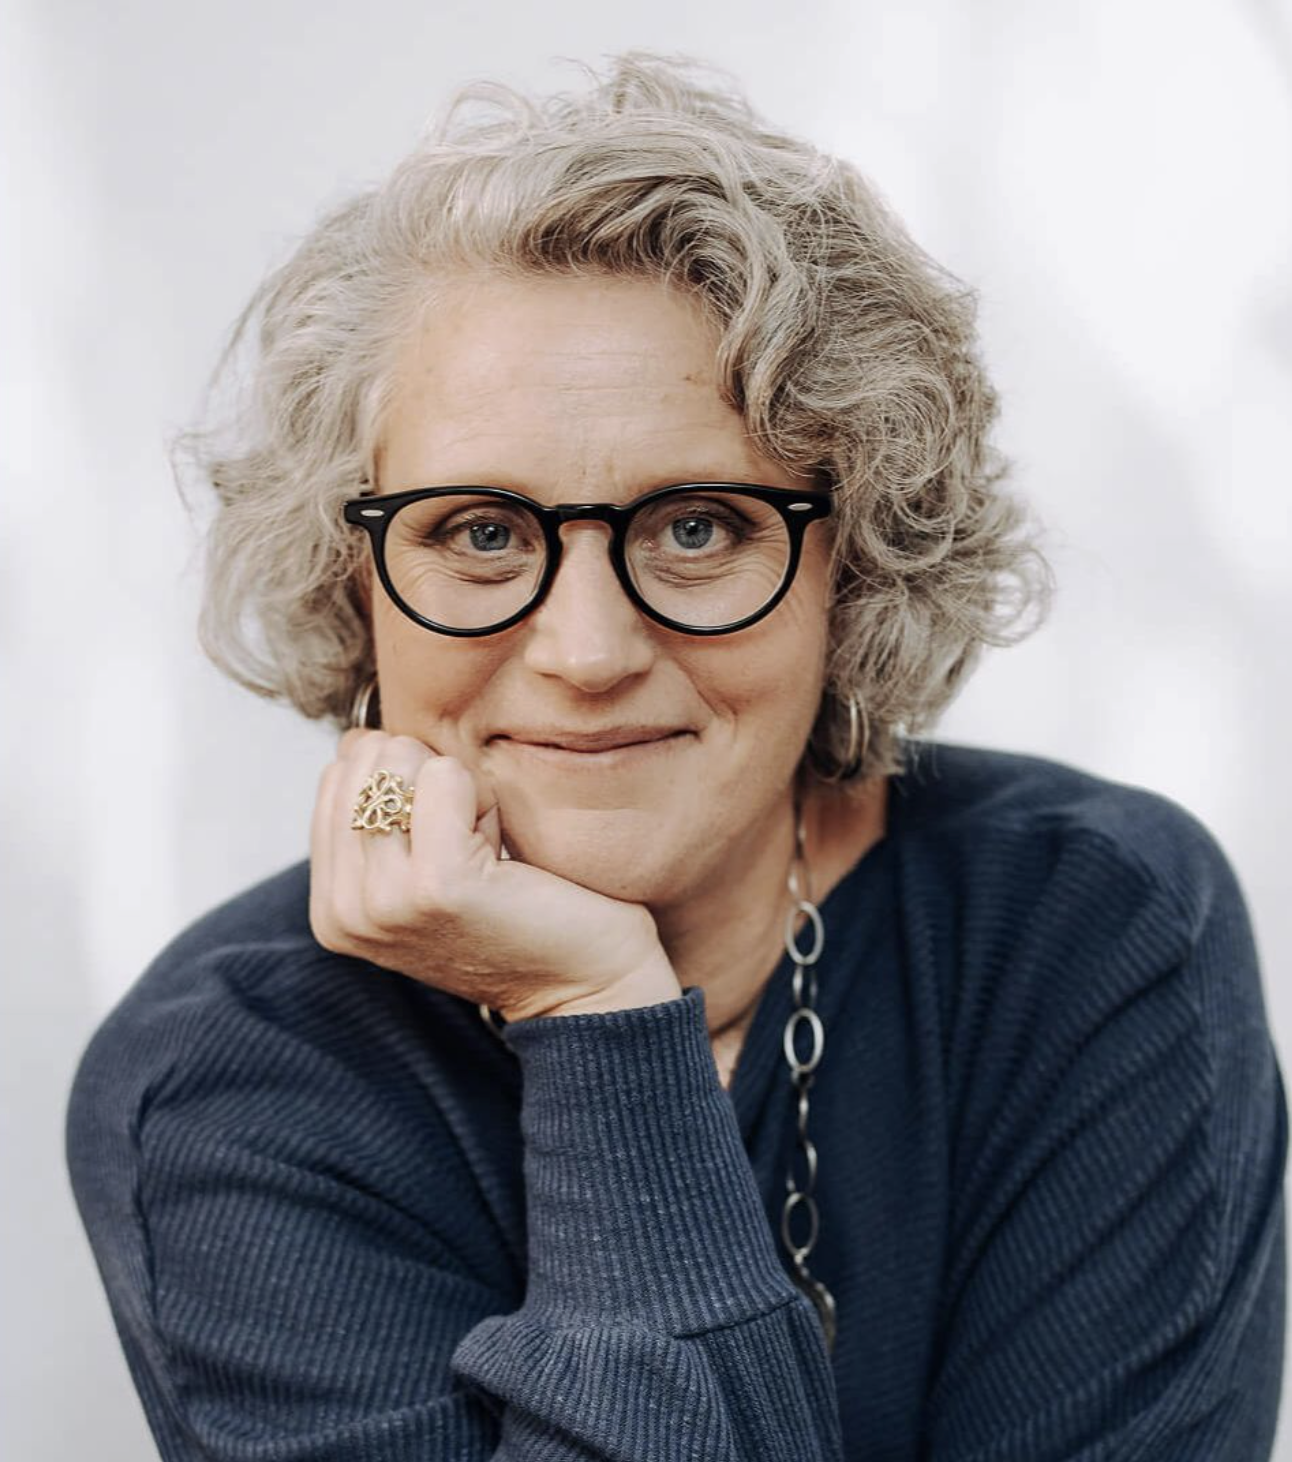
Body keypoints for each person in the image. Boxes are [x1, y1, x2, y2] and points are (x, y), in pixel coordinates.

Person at [66, 53, 1286, 1461]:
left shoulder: (1092, 927)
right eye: (481, 533)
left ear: (854, 565)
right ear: (355, 582)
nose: (587, 650)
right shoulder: (228, 1079)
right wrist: (596, 1009)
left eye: (697, 527)